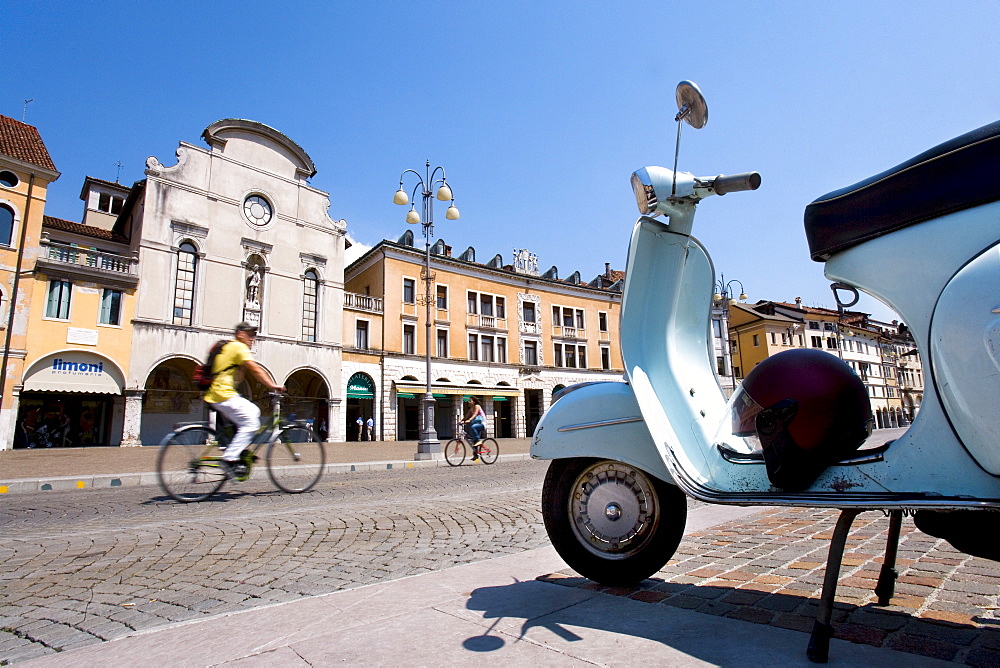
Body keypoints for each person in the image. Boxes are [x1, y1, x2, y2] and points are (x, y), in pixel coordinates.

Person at [203, 322, 285, 477]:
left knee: (249, 414)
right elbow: (255, 370)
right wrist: (273, 385)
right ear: (240, 334)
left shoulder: (228, 347)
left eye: (254, 335)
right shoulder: (238, 347)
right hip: (223, 394)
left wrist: (240, 368)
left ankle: (238, 452)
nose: (252, 338)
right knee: (252, 421)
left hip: (218, 393)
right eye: (249, 334)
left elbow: (238, 379)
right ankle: (229, 459)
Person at [460, 397, 487, 462]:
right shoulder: (471, 409)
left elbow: (475, 414)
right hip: (475, 424)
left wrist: (469, 420)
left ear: (474, 402)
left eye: (470, 401)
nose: (468, 402)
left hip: (482, 424)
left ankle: (478, 441)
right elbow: (467, 416)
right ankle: (476, 455)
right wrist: (461, 421)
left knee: (473, 427)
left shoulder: (477, 406)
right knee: (473, 440)